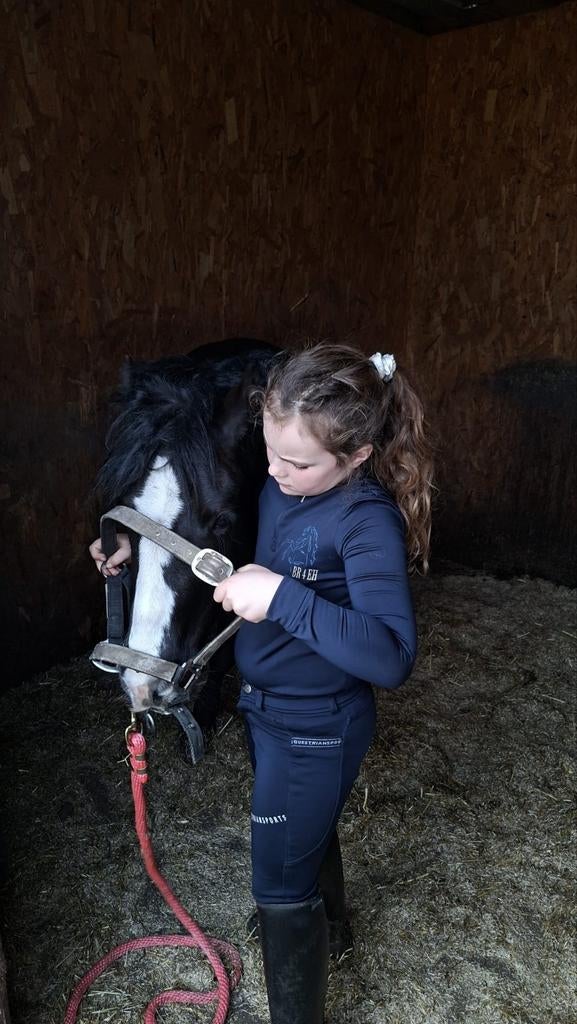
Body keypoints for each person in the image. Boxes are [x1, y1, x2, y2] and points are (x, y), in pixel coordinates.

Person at [90, 341, 433, 1024]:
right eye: (270, 451)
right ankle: (331, 926)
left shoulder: (364, 524)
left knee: (275, 884)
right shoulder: (284, 484)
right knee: (309, 833)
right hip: (269, 711)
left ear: (357, 454)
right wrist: (137, 542)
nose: (273, 471)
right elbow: (214, 528)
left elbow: (392, 656)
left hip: (316, 724)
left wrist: (281, 599)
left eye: (295, 461)